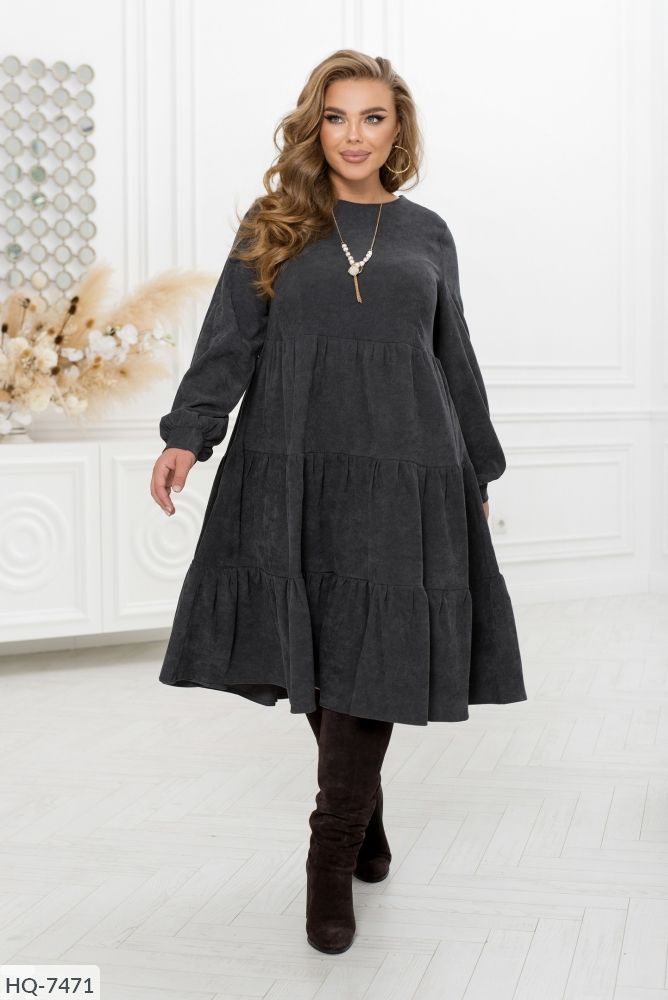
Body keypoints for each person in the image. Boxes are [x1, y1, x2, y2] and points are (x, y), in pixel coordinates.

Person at [150, 48, 527, 955]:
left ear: (398, 131)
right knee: (321, 636)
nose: (354, 135)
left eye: (373, 117)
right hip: (294, 461)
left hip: (406, 466)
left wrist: (476, 470)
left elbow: (453, 354)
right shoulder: (277, 220)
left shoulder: (428, 233)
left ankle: (330, 851)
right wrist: (188, 433)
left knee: (375, 639)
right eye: (337, 116)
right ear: (313, 126)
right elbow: (230, 337)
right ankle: (367, 815)